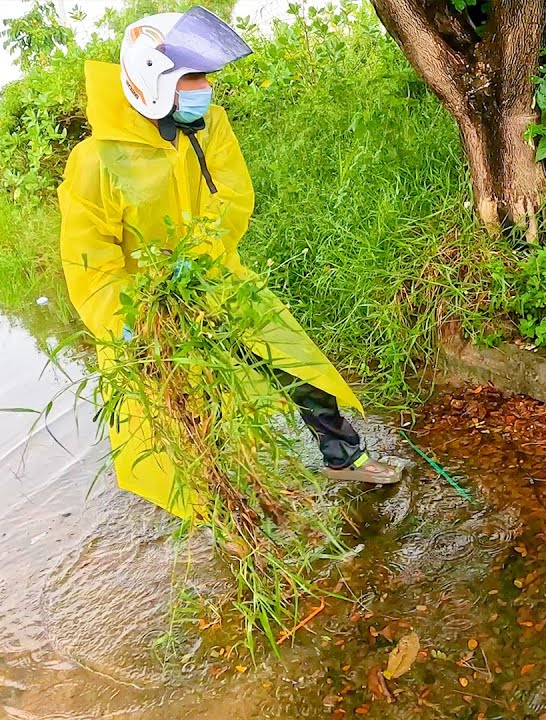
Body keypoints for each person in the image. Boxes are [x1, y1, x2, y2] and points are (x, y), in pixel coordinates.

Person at [58, 7, 400, 519]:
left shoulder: (207, 123)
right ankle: (227, 501)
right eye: (192, 78)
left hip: (218, 279)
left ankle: (343, 457)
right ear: (153, 79)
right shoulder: (96, 160)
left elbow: (233, 195)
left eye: (206, 78)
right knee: (192, 407)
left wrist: (196, 261)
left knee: (294, 364)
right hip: (149, 313)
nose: (204, 89)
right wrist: (127, 319)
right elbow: (89, 258)